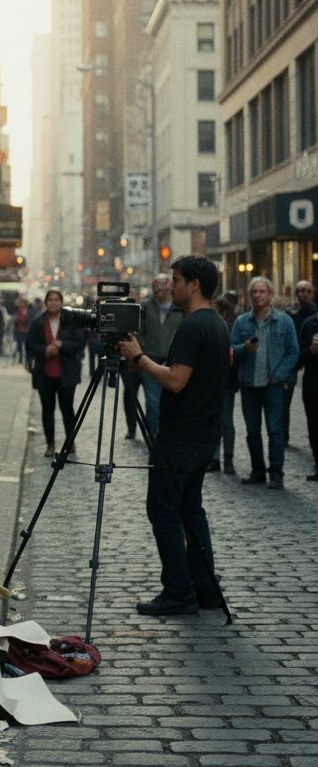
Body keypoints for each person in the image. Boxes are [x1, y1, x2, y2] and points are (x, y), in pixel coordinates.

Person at [117, 255, 229, 617]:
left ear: (194, 284)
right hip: (204, 435)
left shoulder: (193, 326)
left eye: (177, 279)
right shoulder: (217, 324)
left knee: (164, 512)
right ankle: (206, 590)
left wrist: (139, 358)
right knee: (190, 510)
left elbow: (176, 380)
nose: (172, 285)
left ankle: (179, 592)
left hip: (181, 437)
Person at [229, 275, 299, 489]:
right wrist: (244, 349)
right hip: (249, 384)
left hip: (273, 385)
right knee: (252, 431)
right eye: (254, 292)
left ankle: (276, 473)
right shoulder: (242, 322)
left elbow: (292, 351)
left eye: (262, 291)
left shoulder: (284, 321)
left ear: (270, 295)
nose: (257, 295)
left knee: (275, 429)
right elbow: (232, 351)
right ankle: (257, 470)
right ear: (249, 296)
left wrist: (279, 375)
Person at [124, 274, 184, 440]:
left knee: (172, 404)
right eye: (155, 285)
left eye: (162, 284)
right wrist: (140, 351)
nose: (158, 288)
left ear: (169, 285)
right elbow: (138, 331)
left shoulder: (180, 308)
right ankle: (153, 438)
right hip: (149, 360)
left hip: (173, 362)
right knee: (152, 403)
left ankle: (168, 436)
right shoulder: (146, 307)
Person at [27, 289, 85, 457]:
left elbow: (80, 343)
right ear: (46, 303)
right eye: (50, 300)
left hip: (67, 374)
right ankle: (50, 445)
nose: (53, 303)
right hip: (44, 374)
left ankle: (70, 441)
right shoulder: (38, 322)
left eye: (56, 300)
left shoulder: (71, 321)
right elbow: (30, 346)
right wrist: (46, 350)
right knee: (47, 409)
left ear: (61, 302)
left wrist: (62, 345)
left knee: (67, 409)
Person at [282, 280, 316, 446]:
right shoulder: (290, 313)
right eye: (301, 290)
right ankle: (284, 436)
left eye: (308, 291)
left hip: (309, 361)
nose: (304, 294)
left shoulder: (314, 315)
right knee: (284, 400)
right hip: (293, 359)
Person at [210, 296, 239, 474]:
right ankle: (214, 459)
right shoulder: (210, 326)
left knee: (226, 421)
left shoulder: (231, 328)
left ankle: (228, 458)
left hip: (227, 381)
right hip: (211, 382)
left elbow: (235, 353)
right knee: (214, 421)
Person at [297, 310, 318, 482]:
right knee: (313, 425)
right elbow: (298, 354)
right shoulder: (308, 324)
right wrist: (311, 350)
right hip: (312, 384)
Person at [13, 296, 31, 364]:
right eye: (20, 302)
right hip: (19, 330)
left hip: (26, 330)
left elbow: (27, 320)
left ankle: (26, 357)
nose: (21, 304)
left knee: (26, 345)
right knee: (19, 345)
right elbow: (15, 319)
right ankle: (20, 358)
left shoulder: (27, 311)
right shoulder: (17, 311)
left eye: (22, 302)